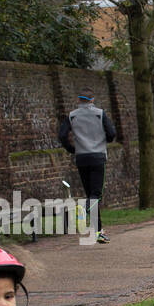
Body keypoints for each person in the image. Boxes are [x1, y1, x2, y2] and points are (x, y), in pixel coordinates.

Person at [58, 89, 117, 244]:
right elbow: (111, 133)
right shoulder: (100, 113)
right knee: (96, 195)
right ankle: (84, 208)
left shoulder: (72, 116)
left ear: (79, 100)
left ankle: (98, 232)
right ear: (92, 99)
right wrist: (104, 141)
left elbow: (62, 135)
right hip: (98, 157)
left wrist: (72, 149)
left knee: (91, 195)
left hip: (81, 158)